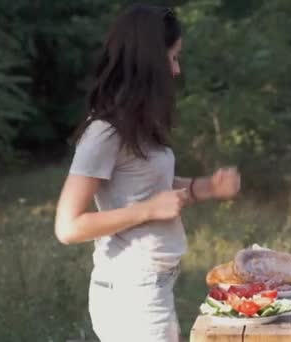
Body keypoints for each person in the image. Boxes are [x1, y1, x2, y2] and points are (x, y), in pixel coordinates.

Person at [54, 4, 240, 342]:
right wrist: (149, 210)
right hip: (130, 294)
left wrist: (207, 188)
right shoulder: (104, 132)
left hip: (153, 287)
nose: (177, 69)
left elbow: (151, 188)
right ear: (149, 64)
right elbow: (68, 227)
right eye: (172, 58)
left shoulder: (138, 126)